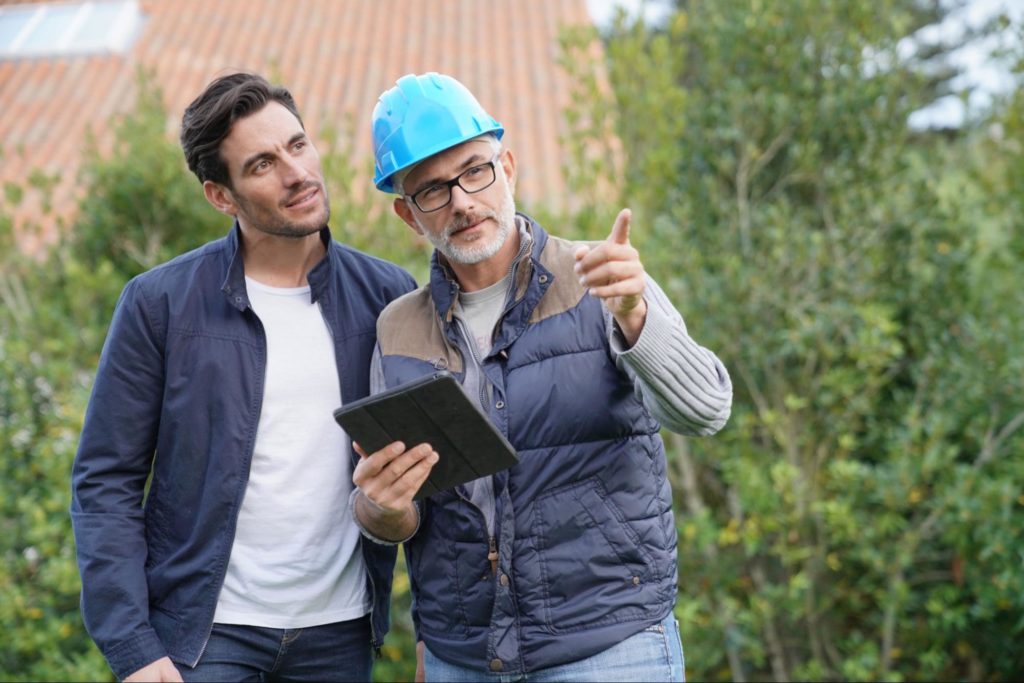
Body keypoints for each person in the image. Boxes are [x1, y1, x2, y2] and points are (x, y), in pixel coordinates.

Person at [350, 72, 733, 682]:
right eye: (432, 191)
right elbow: (403, 520)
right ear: (406, 214)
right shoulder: (397, 330)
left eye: (475, 171)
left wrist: (636, 317)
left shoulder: (602, 278)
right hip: (462, 658)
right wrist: (380, 508)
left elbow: (705, 410)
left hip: (610, 647)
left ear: (508, 165)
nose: (462, 202)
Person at [70, 72, 417, 682]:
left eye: (298, 145)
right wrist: (133, 645)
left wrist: (435, 634)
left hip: (340, 634)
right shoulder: (160, 304)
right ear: (220, 196)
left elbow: (425, 474)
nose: (296, 173)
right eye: (262, 164)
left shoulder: (387, 296)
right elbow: (106, 481)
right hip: (205, 637)